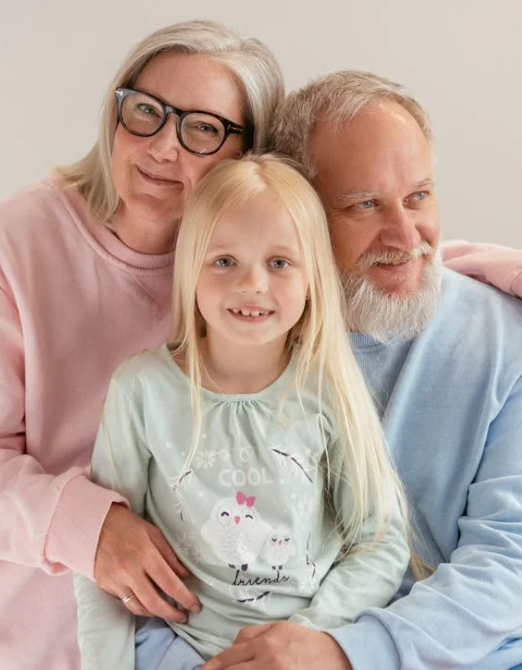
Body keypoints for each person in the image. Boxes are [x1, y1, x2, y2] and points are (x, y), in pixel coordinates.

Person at [0, 21, 522, 670]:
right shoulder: (22, 244)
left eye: (203, 128)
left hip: (179, 623)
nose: (164, 145)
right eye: (145, 111)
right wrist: (91, 530)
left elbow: (389, 252)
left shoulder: (252, 278)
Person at [201, 71, 522, 670]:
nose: (407, 235)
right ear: (299, 212)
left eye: (419, 196)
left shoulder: (520, 343)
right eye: (365, 204)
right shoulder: (236, 343)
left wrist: (345, 653)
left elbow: (510, 559)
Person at [76, 153, 420, 669]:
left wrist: (307, 638)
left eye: (279, 263)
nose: (252, 284)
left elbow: (379, 540)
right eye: (223, 261)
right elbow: (104, 564)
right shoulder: (142, 391)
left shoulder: (327, 391)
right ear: (190, 269)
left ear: (312, 277)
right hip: (183, 654)